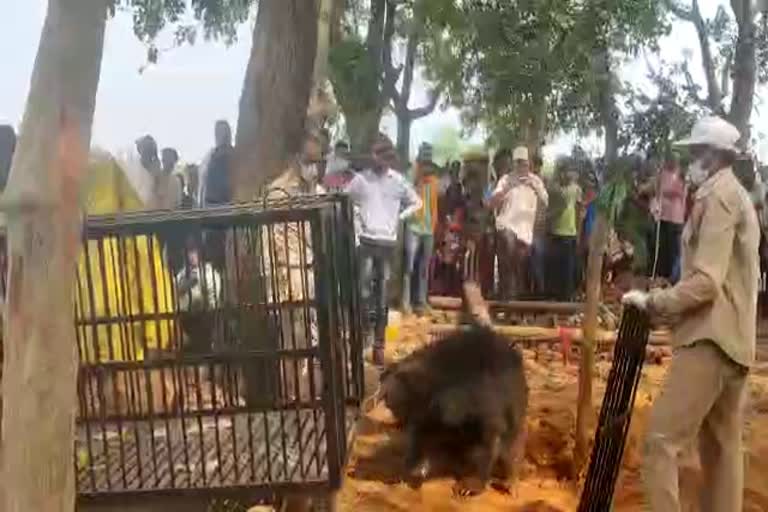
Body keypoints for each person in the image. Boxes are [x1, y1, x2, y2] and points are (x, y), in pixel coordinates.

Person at [622, 116, 758, 512]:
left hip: (709, 339)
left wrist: (654, 303)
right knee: (722, 454)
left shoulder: (717, 197)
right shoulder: (738, 195)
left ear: (715, 156)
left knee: (660, 443)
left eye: (697, 153)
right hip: (736, 343)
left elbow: (706, 282)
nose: (691, 161)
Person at [345, 135, 422, 366]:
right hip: (367, 242)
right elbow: (346, 200)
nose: (380, 159)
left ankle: (378, 345)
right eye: (377, 154)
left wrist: (400, 217)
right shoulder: (361, 180)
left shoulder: (398, 181)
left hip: (387, 243)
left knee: (381, 298)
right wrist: (357, 226)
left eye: (384, 155)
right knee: (363, 292)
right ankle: (364, 339)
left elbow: (417, 202)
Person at [490, 146, 548, 300]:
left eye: (524, 163)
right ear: (514, 164)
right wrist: (506, 189)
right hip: (506, 226)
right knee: (508, 248)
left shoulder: (536, 181)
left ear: (529, 164)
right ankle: (506, 297)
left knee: (519, 265)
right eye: (519, 163)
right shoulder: (506, 180)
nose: (522, 166)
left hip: (526, 232)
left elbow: (546, 201)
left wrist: (534, 186)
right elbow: (493, 203)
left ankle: (514, 300)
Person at [402, 143, 440, 316]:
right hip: (413, 227)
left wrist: (434, 225)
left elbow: (435, 204)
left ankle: (421, 302)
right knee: (409, 266)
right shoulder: (411, 176)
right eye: (423, 158)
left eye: (428, 158)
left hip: (428, 229)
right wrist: (417, 177)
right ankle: (406, 303)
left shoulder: (434, 180)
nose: (426, 163)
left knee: (423, 268)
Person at [547, 158, 582, 301]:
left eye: (568, 171)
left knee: (568, 269)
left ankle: (567, 298)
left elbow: (579, 211)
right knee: (555, 268)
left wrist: (578, 233)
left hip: (569, 234)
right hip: (555, 233)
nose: (566, 174)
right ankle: (556, 297)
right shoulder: (553, 188)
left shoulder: (576, 189)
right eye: (563, 171)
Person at [654, 160, 687, 282]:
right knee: (664, 248)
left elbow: (678, 192)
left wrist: (665, 191)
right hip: (663, 216)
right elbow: (658, 190)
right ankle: (663, 276)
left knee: (676, 250)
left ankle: (674, 278)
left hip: (677, 218)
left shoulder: (681, 174)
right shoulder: (663, 173)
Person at [199, 120, 234, 207]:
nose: (223, 135)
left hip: (230, 206)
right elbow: (202, 184)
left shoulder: (236, 155)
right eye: (219, 132)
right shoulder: (209, 157)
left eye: (224, 131)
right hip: (210, 206)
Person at [530, 152, 548, 298]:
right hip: (528, 227)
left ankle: (540, 292)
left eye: (536, 165)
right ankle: (532, 291)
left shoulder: (543, 183)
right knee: (529, 261)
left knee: (538, 261)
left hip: (539, 228)